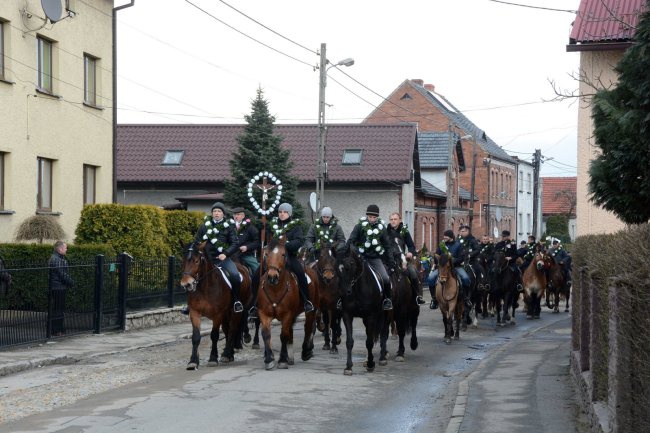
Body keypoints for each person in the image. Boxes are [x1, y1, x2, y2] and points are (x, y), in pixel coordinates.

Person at [250, 202, 314, 317]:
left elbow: (299, 241)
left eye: (285, 212)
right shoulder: (273, 225)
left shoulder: (296, 226)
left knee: (301, 274)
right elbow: (267, 239)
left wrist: (284, 246)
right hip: (272, 259)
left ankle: (306, 301)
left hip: (289, 257)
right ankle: (254, 304)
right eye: (280, 212)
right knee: (255, 276)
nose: (282, 214)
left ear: (289, 214)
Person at [194, 202, 243, 313]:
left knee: (235, 276)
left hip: (222, 259)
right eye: (214, 211)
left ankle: (236, 301)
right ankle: (191, 303)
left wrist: (225, 254)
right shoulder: (204, 226)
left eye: (219, 211)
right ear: (212, 213)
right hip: (206, 259)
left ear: (223, 214)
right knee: (192, 276)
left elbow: (235, 243)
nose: (216, 213)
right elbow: (197, 241)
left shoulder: (229, 226)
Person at [346, 204, 396, 311]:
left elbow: (387, 246)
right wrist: (354, 253)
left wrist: (391, 263)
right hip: (360, 258)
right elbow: (351, 241)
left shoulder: (382, 228)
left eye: (374, 217)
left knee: (386, 278)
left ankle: (388, 299)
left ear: (377, 217)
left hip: (375, 259)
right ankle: (342, 300)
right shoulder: (359, 226)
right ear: (367, 216)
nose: (372, 219)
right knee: (345, 275)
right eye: (370, 217)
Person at [424, 229, 470, 310]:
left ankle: (466, 299)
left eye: (446, 236)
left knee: (466, 278)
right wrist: (437, 260)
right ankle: (434, 299)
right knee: (430, 278)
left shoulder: (458, 245)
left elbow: (461, 258)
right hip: (442, 268)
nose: (444, 237)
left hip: (456, 267)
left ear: (451, 237)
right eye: (444, 236)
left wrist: (451, 261)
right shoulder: (441, 245)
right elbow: (436, 255)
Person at [387, 212, 426, 305]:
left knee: (413, 272)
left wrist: (410, 252)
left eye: (395, 219)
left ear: (399, 220)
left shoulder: (404, 231)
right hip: (390, 260)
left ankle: (417, 296)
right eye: (391, 219)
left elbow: (411, 246)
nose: (393, 221)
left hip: (402, 259)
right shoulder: (386, 232)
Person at [49, 241, 73, 336]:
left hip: (59, 287)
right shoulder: (56, 259)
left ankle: (58, 329)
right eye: (65, 248)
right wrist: (71, 282)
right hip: (57, 287)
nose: (66, 249)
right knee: (58, 310)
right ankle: (56, 330)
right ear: (59, 249)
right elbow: (62, 274)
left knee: (59, 309)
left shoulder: (58, 258)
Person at [457, 224, 485, 302]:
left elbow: (477, 249)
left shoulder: (472, 240)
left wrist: (470, 254)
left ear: (468, 231)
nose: (461, 233)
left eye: (463, 231)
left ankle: (480, 284)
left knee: (479, 268)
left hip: (471, 261)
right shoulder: (458, 240)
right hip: (460, 261)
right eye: (460, 231)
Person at [231, 207, 260, 276]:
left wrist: (247, 247)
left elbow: (257, 243)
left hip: (246, 255)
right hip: (230, 254)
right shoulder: (228, 226)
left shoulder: (250, 227)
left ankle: (257, 285)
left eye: (238, 214)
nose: (236, 216)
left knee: (257, 268)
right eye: (234, 214)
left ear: (243, 216)